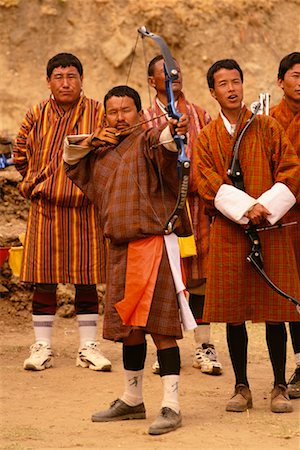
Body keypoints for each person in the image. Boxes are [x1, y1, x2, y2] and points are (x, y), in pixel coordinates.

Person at [63, 85, 193, 435]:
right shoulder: (102, 150)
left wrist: (174, 129)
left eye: (127, 110)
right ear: (104, 115)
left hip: (153, 245)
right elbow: (70, 158)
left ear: (140, 112)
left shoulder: (149, 140)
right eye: (113, 111)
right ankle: (132, 399)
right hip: (120, 249)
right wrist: (93, 140)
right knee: (130, 331)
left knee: (162, 330)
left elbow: (165, 142)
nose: (120, 118)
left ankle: (172, 405)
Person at [194, 59, 300, 414]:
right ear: (213, 91)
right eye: (223, 84)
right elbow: (205, 180)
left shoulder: (268, 127)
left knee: (275, 312)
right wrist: (243, 208)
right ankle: (241, 386)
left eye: (236, 81)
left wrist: (265, 207)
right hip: (229, 230)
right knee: (233, 312)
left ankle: (280, 386)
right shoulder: (207, 136)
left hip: (270, 228)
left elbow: (290, 170)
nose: (231, 89)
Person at [13, 53, 111, 372]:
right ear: (48, 81)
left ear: (82, 80)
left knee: (86, 280)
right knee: (43, 281)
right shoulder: (36, 113)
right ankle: (42, 346)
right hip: (46, 208)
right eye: (58, 77)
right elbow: (19, 154)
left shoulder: (99, 112)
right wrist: (37, 181)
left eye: (71, 76)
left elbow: (112, 153)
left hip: (86, 209)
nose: (65, 83)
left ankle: (88, 347)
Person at [144, 54, 222, 376]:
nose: (174, 77)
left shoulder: (201, 114)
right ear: (152, 82)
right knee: (168, 278)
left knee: (200, 276)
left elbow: (210, 157)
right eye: (166, 73)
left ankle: (203, 344)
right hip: (162, 208)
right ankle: (166, 349)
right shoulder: (145, 116)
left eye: (177, 71)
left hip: (197, 206)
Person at [269, 52, 300, 399]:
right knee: (290, 293)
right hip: (283, 218)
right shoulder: (267, 120)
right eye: (294, 76)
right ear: (280, 81)